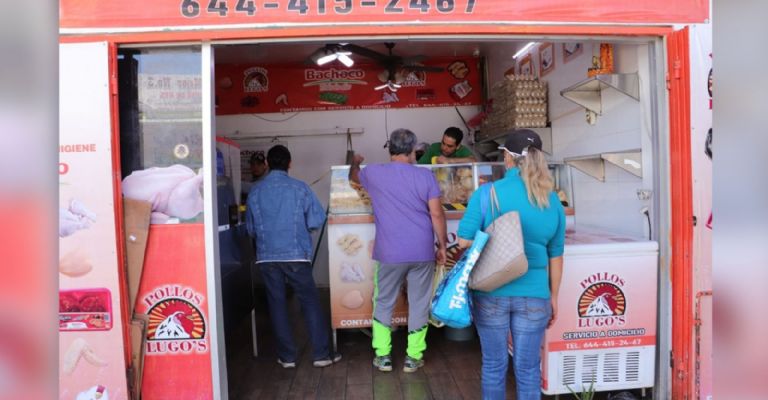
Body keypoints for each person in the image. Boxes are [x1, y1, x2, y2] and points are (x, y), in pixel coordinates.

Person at [456, 129, 565, 400]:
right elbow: (556, 254)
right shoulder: (551, 199)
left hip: (491, 291)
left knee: (494, 365)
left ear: (508, 158)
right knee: (528, 368)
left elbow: (463, 241)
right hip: (535, 294)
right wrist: (554, 297)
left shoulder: (487, 193)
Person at [349, 129, 447, 373]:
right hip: (422, 251)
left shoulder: (373, 173)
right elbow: (436, 214)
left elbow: (354, 176)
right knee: (419, 303)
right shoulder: (425, 176)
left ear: (390, 149)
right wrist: (443, 245)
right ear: (413, 150)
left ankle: (383, 355)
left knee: (383, 301)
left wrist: (355, 161)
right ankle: (413, 357)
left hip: (389, 253)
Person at [246, 145, 341, 369]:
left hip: (267, 257)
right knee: (310, 302)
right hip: (297, 255)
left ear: (267, 164)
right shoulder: (301, 188)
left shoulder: (255, 192)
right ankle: (321, 355)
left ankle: (287, 357)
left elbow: (250, 229)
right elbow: (316, 219)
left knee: (277, 304)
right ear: (290, 163)